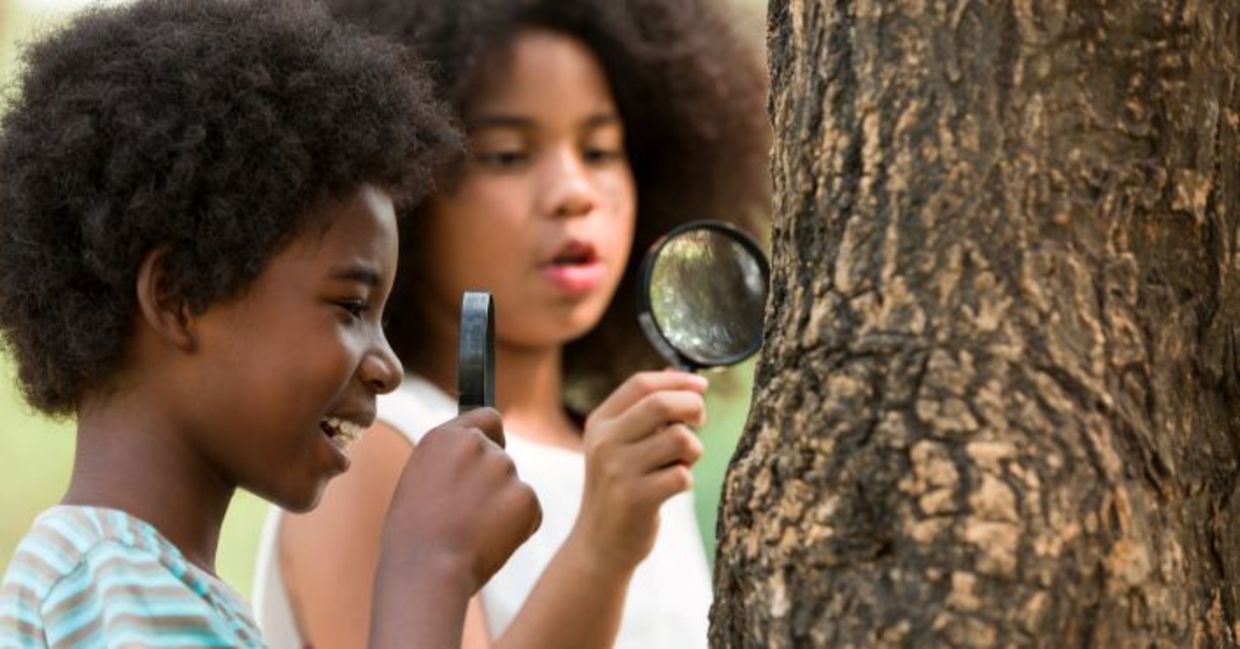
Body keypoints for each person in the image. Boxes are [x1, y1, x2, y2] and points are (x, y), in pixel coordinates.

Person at [0, 1, 539, 647]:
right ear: (178, 298)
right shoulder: (114, 591)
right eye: (350, 307)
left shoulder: (126, 584)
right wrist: (430, 568)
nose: (388, 366)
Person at [256, 1, 771, 647]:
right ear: (401, 192)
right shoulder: (375, 451)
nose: (574, 191)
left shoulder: (632, 459)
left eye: (600, 150)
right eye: (506, 155)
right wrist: (602, 547)